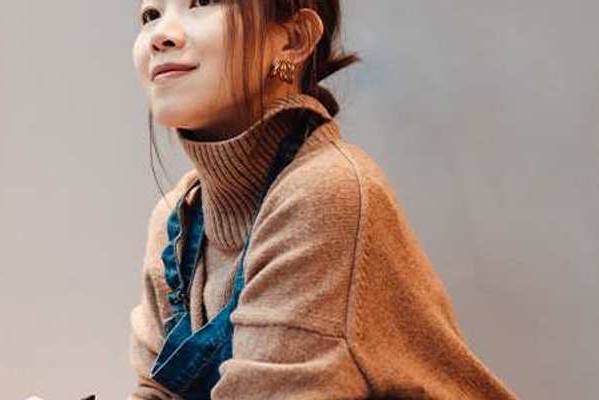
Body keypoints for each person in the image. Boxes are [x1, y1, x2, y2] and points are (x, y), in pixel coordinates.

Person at [127, 1, 517, 398]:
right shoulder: (177, 218)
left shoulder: (325, 191)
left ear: (294, 39)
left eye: (202, 2)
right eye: (150, 15)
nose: (160, 36)